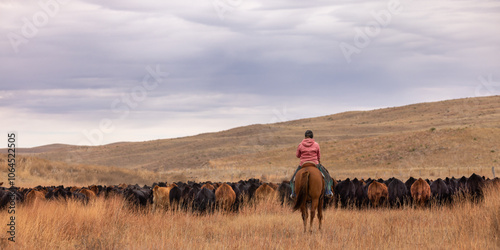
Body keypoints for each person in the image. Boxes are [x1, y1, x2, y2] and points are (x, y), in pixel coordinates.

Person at [290, 130, 334, 199]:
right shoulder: (316, 144)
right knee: (328, 178)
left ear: (305, 137)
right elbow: (319, 156)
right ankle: (328, 192)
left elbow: (297, 155)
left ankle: (293, 193)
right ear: (312, 136)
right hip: (315, 164)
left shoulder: (300, 144)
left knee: (292, 180)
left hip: (303, 164)